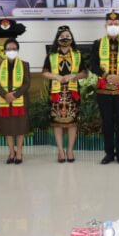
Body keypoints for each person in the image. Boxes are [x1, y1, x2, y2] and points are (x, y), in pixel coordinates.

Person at [91, 11, 119, 164]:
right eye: (110, 24)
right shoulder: (98, 43)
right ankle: (109, 153)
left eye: (116, 24)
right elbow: (92, 64)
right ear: (105, 26)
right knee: (107, 122)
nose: (113, 26)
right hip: (104, 89)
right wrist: (105, 76)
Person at [42, 26, 88, 163]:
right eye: (62, 36)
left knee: (73, 123)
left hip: (72, 93)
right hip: (56, 92)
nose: (65, 38)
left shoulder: (78, 54)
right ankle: (61, 151)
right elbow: (44, 72)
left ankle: (70, 151)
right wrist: (56, 76)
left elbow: (85, 73)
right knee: (57, 123)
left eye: (67, 35)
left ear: (72, 38)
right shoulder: (51, 55)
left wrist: (73, 76)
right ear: (57, 38)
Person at [0, 38, 31, 164]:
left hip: (20, 100)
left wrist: (14, 95)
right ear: (4, 51)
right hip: (4, 101)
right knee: (7, 127)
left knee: (20, 127)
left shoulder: (25, 65)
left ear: (18, 50)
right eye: (9, 49)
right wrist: (5, 95)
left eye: (14, 49)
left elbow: (27, 83)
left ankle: (19, 151)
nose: (11, 51)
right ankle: (11, 151)